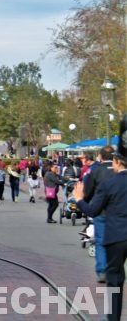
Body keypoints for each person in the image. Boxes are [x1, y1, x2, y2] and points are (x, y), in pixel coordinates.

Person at [73, 117, 127, 321]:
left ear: (116, 162)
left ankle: (113, 318)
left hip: (115, 236)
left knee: (114, 279)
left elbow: (93, 210)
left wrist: (78, 200)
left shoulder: (109, 184)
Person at [83, 145, 115, 283]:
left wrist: (87, 203)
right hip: (117, 212)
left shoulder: (95, 171)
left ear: (100, 157)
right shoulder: (119, 171)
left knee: (101, 241)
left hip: (100, 211)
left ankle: (102, 271)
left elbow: (88, 191)